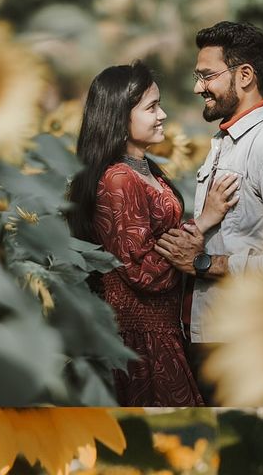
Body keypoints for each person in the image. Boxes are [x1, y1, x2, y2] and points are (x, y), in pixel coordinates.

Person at [155, 21, 263, 403]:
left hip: (245, 343)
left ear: (245, 76)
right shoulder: (224, 144)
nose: (197, 87)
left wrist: (206, 263)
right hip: (206, 336)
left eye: (207, 75)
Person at [68, 60, 238, 406]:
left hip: (161, 329)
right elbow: (143, 271)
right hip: (138, 337)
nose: (162, 115)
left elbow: (161, 244)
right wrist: (204, 223)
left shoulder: (147, 172)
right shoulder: (118, 179)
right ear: (119, 116)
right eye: (151, 107)